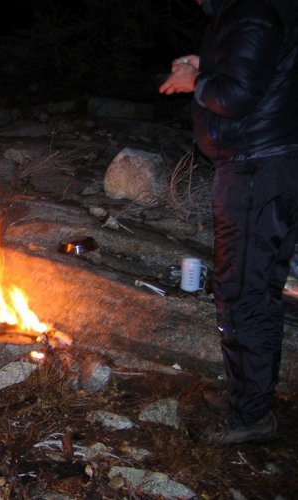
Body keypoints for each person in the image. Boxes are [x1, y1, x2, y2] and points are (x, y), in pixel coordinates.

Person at [160, 0, 298, 445]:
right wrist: (211, 65)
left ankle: (252, 414)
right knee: (248, 284)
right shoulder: (256, 9)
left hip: (257, 167)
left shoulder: (250, 8)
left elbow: (235, 97)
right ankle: (245, 393)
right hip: (265, 162)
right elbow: (261, 72)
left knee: (244, 290)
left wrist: (195, 80)